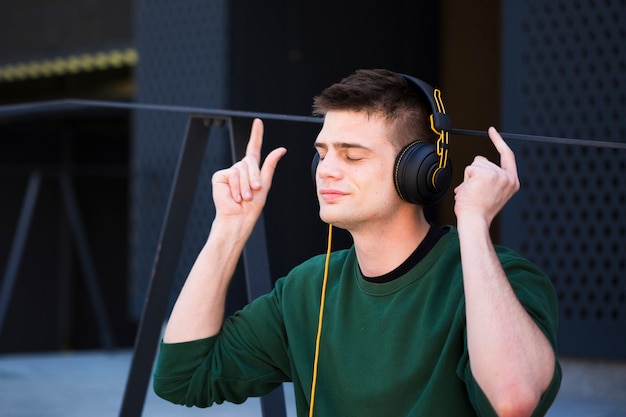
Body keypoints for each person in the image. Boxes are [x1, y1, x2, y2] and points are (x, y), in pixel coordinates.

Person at [153, 69, 561, 416]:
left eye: (352, 156)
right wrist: (228, 228)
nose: (326, 170)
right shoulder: (306, 289)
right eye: (322, 152)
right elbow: (181, 378)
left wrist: (473, 222)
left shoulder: (502, 278)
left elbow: (513, 400)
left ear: (421, 171)